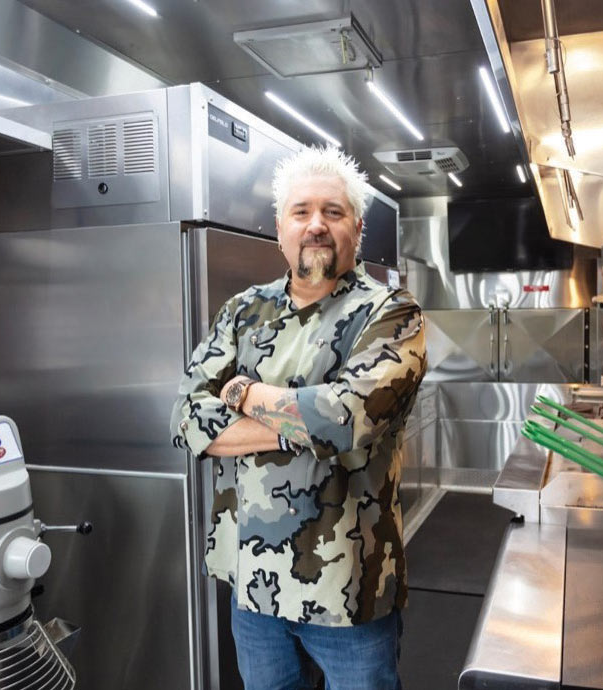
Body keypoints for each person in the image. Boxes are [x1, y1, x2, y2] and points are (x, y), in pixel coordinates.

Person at [171, 145, 426, 690]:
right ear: (280, 229)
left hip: (349, 592)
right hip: (255, 588)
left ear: (357, 228)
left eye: (333, 212)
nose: (316, 225)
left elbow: (346, 420)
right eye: (301, 212)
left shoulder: (391, 313)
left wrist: (240, 391)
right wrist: (305, 421)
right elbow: (187, 418)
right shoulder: (242, 311)